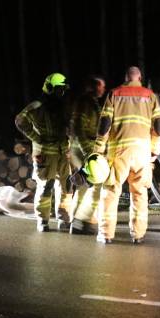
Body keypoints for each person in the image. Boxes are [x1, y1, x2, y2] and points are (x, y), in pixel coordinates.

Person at [94, 66, 160, 244]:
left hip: (119, 150)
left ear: (126, 78)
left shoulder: (115, 93)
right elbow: (158, 125)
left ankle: (106, 234)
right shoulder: (150, 96)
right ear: (139, 78)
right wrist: (155, 149)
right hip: (142, 151)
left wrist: (98, 149)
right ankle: (138, 235)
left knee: (111, 191)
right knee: (140, 193)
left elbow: (105, 123)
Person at [15, 73, 73, 232]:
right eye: (59, 89)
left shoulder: (62, 107)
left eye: (63, 90)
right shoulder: (37, 106)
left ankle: (64, 219)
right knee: (46, 186)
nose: (62, 93)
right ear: (50, 88)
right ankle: (43, 220)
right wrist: (36, 138)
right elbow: (20, 120)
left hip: (62, 153)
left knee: (66, 186)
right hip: (45, 154)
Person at [69, 76, 106, 234]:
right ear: (95, 87)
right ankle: (81, 221)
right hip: (83, 147)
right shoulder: (86, 102)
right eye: (102, 86)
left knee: (84, 185)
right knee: (95, 182)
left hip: (80, 147)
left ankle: (74, 221)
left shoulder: (88, 102)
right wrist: (87, 150)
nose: (104, 89)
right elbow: (78, 127)